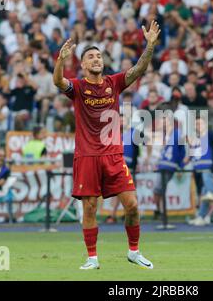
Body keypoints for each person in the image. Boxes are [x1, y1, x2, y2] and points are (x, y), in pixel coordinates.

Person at [53, 20, 161, 270]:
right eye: (91, 56)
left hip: (113, 155)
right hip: (87, 156)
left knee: (132, 205)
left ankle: (134, 251)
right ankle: (92, 258)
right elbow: (58, 82)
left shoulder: (114, 83)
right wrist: (60, 60)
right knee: (90, 208)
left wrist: (150, 46)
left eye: (99, 56)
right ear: (83, 64)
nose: (96, 59)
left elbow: (138, 70)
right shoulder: (78, 87)